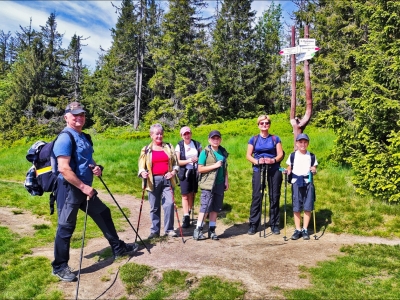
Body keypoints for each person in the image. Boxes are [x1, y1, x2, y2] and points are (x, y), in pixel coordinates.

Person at [52, 101, 138, 282]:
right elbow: (63, 169)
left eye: (82, 114)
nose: (79, 118)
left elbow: (87, 160)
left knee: (103, 213)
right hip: (70, 190)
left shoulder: (84, 137)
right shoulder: (65, 138)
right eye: (75, 115)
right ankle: (59, 266)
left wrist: (96, 167)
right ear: (66, 117)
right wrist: (84, 187)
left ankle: (118, 248)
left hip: (85, 190)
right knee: (66, 228)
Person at [138, 123, 180, 239]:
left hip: (168, 179)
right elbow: (141, 166)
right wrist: (142, 173)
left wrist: (173, 172)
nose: (159, 136)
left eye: (161, 134)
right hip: (152, 180)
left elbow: (176, 164)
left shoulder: (169, 147)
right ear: (151, 135)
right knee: (154, 207)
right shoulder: (146, 149)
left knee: (170, 204)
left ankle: (169, 230)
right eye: (157, 134)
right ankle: (155, 231)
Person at [246, 115, 284, 235]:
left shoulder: (275, 138)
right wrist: (257, 161)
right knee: (257, 196)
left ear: (269, 124)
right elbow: (248, 155)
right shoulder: (254, 139)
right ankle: (253, 224)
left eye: (266, 123)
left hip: (273, 169)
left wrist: (273, 160)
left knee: (274, 196)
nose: (264, 125)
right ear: (258, 125)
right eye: (262, 123)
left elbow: (280, 154)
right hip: (259, 169)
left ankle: (274, 224)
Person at [193, 130, 229, 241]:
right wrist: (214, 165)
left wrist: (226, 181)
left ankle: (212, 230)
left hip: (219, 183)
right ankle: (198, 230)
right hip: (208, 184)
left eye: (217, 138)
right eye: (213, 138)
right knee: (205, 207)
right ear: (209, 140)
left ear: (220, 139)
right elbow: (200, 169)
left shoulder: (223, 152)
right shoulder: (205, 152)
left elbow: (225, 168)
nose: (216, 140)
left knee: (216, 208)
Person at [286, 133, 318, 240]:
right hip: (296, 182)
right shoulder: (292, 155)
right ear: (297, 143)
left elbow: (314, 169)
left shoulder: (312, 156)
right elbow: (289, 167)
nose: (303, 144)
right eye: (300, 142)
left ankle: (305, 229)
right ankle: (298, 229)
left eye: (305, 142)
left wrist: (314, 170)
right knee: (296, 206)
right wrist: (287, 171)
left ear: (308, 143)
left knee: (308, 206)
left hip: (308, 182)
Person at [175, 126, 202, 228]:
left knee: (193, 193)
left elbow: (202, 157)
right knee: (185, 194)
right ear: (181, 135)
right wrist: (190, 161)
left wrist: (198, 160)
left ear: (191, 134)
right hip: (184, 172)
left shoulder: (197, 144)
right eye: (184, 134)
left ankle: (189, 210)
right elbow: (178, 161)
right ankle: (186, 216)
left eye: (188, 133)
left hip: (195, 171)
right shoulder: (179, 146)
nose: (187, 135)